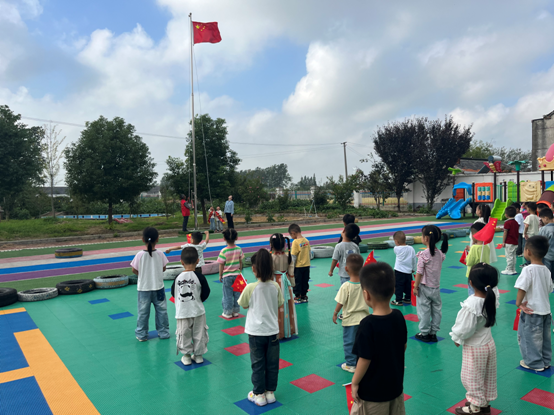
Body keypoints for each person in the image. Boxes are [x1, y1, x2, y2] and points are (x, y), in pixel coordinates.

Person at [350, 262, 407, 415]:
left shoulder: (367, 325)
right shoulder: (399, 316)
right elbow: (403, 346)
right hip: (395, 388)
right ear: (394, 290)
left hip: (372, 395)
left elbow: (364, 359)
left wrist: (354, 383)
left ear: (366, 294)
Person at [450, 264, 499, 415]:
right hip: (489, 344)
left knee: (472, 377)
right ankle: (484, 403)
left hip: (474, 348)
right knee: (487, 375)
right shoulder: (493, 295)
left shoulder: (472, 304)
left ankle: (475, 408)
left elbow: (465, 328)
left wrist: (457, 337)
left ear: (470, 282)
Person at [238, 250, 284, 407]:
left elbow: (243, 304)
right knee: (272, 364)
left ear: (253, 269)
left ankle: (258, 394)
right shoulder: (275, 286)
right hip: (272, 332)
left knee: (257, 364)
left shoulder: (250, 287)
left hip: (255, 333)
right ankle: (270, 392)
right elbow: (279, 303)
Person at [515, 235, 553, 371]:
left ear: (528, 252)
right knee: (545, 338)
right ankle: (545, 361)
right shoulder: (547, 270)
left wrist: (519, 303)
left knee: (530, 338)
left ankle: (534, 363)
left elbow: (522, 288)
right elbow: (549, 289)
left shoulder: (528, 269)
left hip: (532, 311)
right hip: (546, 311)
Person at [130, 227, 170, 342]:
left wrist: (142, 275)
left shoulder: (139, 255)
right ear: (157, 239)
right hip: (159, 288)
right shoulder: (160, 254)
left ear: (143, 239)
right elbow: (163, 268)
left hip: (144, 288)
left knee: (143, 312)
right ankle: (164, 332)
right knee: (162, 311)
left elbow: (134, 270)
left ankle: (142, 334)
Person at [173, 247, 211, 365]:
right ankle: (198, 355)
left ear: (181, 262)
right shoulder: (200, 277)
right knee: (199, 333)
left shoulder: (177, 278)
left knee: (184, 333)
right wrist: (198, 300)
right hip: (198, 311)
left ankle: (187, 356)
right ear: (198, 260)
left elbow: (172, 293)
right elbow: (206, 292)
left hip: (182, 312)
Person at [332, 254, 369, 373]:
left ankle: (351, 364)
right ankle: (363, 360)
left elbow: (340, 302)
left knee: (349, 342)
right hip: (364, 318)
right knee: (362, 341)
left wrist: (335, 313)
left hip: (350, 320)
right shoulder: (365, 284)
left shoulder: (345, 286)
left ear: (346, 269)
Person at [413, 225, 449, 342]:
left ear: (426, 238)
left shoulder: (423, 255)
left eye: (421, 236)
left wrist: (415, 286)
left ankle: (424, 333)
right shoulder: (440, 254)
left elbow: (419, 272)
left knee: (424, 310)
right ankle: (433, 333)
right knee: (437, 310)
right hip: (436, 288)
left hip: (424, 287)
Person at [269, 233, 298, 339]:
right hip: (286, 283)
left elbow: (270, 273)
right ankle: (289, 329)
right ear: (285, 245)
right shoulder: (288, 257)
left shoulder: (271, 258)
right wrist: (293, 284)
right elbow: (291, 272)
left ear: (271, 244)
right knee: (287, 304)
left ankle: (278, 331)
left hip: (275, 282)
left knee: (276, 306)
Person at [217, 228, 244, 318]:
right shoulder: (239, 249)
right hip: (237, 275)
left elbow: (221, 264)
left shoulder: (224, 251)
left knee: (227, 294)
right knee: (237, 293)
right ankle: (236, 311)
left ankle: (228, 312)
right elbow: (240, 261)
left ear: (224, 238)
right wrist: (240, 270)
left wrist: (220, 275)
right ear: (236, 237)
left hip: (227, 276)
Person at [392, 231, 417, 306]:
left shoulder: (396, 248)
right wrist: (413, 268)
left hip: (399, 271)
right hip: (409, 271)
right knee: (408, 285)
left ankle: (398, 300)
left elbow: (399, 248)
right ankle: (407, 298)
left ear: (397, 241)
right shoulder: (411, 248)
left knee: (398, 285)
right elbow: (413, 259)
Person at [289, 224, 311, 304]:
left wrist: (291, 267)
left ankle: (298, 296)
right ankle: (304, 296)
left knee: (297, 281)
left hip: (298, 266)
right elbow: (309, 253)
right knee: (305, 281)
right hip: (307, 265)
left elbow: (293, 256)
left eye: (291, 235)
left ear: (293, 233)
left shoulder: (295, 242)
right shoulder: (306, 241)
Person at [466, 223, 490, 296]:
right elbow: (480, 254)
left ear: (475, 234)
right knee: (482, 292)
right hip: (483, 272)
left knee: (473, 293)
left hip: (473, 274)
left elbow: (469, 262)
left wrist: (466, 258)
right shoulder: (486, 247)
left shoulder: (474, 248)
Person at [502, 206, 519, 276]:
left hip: (509, 242)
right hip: (515, 242)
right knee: (513, 256)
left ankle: (509, 269)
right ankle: (513, 269)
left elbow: (505, 233)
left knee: (509, 256)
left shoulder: (507, 223)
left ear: (506, 215)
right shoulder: (515, 222)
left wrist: (503, 241)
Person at [522, 202, 540, 268]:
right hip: (535, 235)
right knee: (533, 249)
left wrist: (525, 233)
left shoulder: (529, 217)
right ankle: (532, 261)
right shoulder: (537, 217)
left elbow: (526, 226)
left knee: (526, 249)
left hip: (528, 236)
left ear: (529, 209)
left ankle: (528, 263)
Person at [538, 208, 554, 280]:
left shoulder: (544, 229)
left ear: (546, 218)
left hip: (548, 255)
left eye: (542, 219)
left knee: (548, 272)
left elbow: (540, 242)